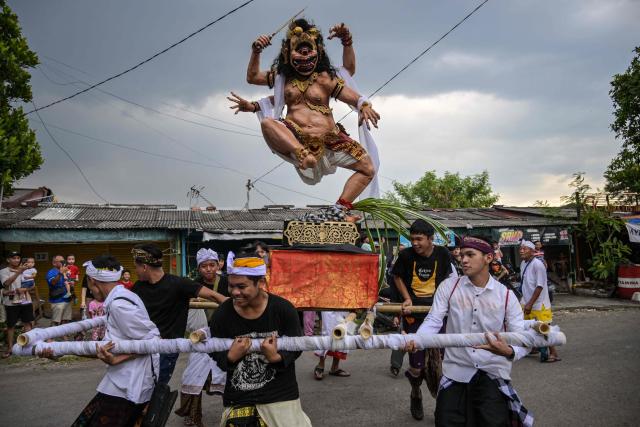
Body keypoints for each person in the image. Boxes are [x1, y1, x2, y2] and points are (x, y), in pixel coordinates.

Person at [229, 19, 380, 218]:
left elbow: (351, 94)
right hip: (297, 139)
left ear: (318, 51)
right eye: (299, 52)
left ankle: (339, 208)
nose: (305, 57)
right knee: (267, 123)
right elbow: (253, 76)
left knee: (368, 168)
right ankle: (302, 154)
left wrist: (364, 104)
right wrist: (256, 51)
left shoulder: (326, 78)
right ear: (287, 53)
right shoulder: (282, 79)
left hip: (330, 139)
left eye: (309, 52)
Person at [405, 237, 533, 427]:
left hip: (492, 372)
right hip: (455, 372)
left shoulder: (506, 296)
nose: (463, 260)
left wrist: (509, 352)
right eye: (462, 255)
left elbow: (522, 338)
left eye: (470, 255)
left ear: (488, 257)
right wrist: (418, 339)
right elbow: (433, 320)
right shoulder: (449, 287)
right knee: (446, 421)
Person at [45, 255, 160, 427]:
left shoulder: (119, 305)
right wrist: (60, 351)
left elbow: (153, 340)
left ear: (92, 281)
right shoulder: (119, 297)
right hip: (121, 382)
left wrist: (117, 359)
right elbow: (107, 347)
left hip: (129, 385)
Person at [209, 248, 311, 427]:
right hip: (239, 396)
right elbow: (214, 350)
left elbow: (296, 345)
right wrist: (230, 357)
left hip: (280, 394)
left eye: (241, 286)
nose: (234, 292)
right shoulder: (222, 315)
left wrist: (276, 357)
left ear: (261, 283)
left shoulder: (283, 310)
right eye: (231, 286)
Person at [131, 243, 228, 384]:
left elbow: (216, 297)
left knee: (154, 388)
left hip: (167, 349)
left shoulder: (179, 284)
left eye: (136, 267)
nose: (136, 271)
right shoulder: (137, 288)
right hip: (144, 347)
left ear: (144, 267)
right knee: (139, 388)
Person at [392, 219, 452, 420]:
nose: (415, 243)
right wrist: (407, 298)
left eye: (419, 239)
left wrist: (447, 303)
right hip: (414, 315)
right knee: (416, 366)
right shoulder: (406, 255)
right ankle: (416, 391)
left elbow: (449, 280)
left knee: (440, 364)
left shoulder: (443, 254)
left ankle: (441, 406)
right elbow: (397, 276)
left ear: (430, 239)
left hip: (438, 314)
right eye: (412, 239)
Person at [174, 248, 230, 427]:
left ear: (218, 265)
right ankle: (193, 416)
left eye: (212, 265)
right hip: (200, 337)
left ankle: (234, 413)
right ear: (199, 268)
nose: (208, 269)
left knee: (228, 376)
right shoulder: (193, 285)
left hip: (225, 336)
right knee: (192, 376)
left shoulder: (228, 283)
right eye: (204, 266)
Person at [519, 240, 560, 363]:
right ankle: (534, 347)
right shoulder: (523, 263)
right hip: (526, 300)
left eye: (524, 249)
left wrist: (530, 303)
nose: (521, 251)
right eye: (520, 248)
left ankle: (553, 352)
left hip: (539, 303)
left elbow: (540, 286)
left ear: (532, 251)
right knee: (528, 326)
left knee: (543, 327)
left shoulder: (538, 264)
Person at [0, 251, 34, 358]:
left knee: (27, 323)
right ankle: (10, 348)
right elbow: (6, 284)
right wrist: (18, 271)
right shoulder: (3, 271)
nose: (16, 260)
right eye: (14, 258)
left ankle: (29, 347)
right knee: (11, 325)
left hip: (25, 300)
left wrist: (25, 289)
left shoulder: (27, 270)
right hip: (11, 302)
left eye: (18, 258)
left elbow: (32, 285)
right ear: (8, 260)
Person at [46, 254, 73, 327]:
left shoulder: (66, 271)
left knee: (66, 320)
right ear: (54, 263)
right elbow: (53, 282)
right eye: (61, 261)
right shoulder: (51, 272)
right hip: (57, 301)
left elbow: (69, 283)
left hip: (67, 299)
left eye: (64, 261)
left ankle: (64, 337)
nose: (63, 262)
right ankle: (50, 338)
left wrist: (71, 283)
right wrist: (60, 273)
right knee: (56, 321)